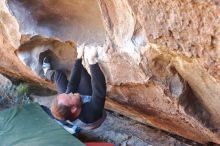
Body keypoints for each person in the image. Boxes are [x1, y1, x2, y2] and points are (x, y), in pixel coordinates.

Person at [42, 45, 107, 133]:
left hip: (75, 105)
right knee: (84, 74)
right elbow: (99, 92)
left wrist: (79, 57)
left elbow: (73, 83)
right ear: (73, 109)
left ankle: (47, 73)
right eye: (69, 96)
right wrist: (92, 62)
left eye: (67, 94)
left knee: (58, 74)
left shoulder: (68, 101)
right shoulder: (90, 114)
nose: (70, 93)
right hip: (92, 114)